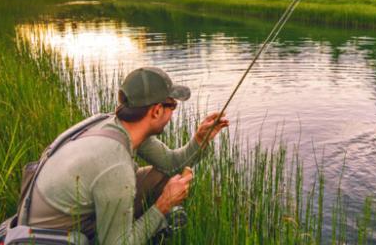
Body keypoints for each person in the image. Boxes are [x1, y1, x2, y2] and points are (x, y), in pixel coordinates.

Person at [18, 67, 228, 244]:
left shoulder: (115, 124)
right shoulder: (115, 165)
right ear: (155, 111)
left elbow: (171, 165)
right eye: (172, 105)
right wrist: (163, 205)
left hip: (63, 215)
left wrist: (200, 140)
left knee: (160, 178)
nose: (173, 112)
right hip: (52, 236)